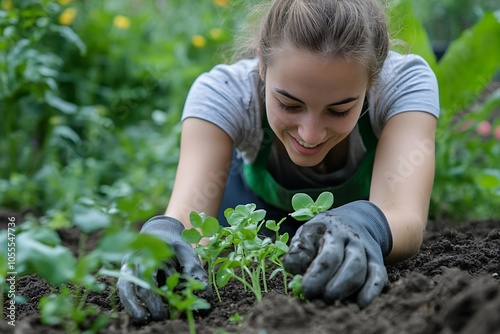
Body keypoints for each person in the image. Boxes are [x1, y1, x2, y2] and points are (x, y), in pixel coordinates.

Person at [117, 0, 439, 325]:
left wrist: (365, 224)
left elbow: (405, 216)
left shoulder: (404, 84)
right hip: (249, 211)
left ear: (373, 80)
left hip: (362, 218)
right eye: (289, 104)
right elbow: (188, 222)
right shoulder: (225, 93)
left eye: (339, 111)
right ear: (261, 64)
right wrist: (164, 235)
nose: (310, 135)